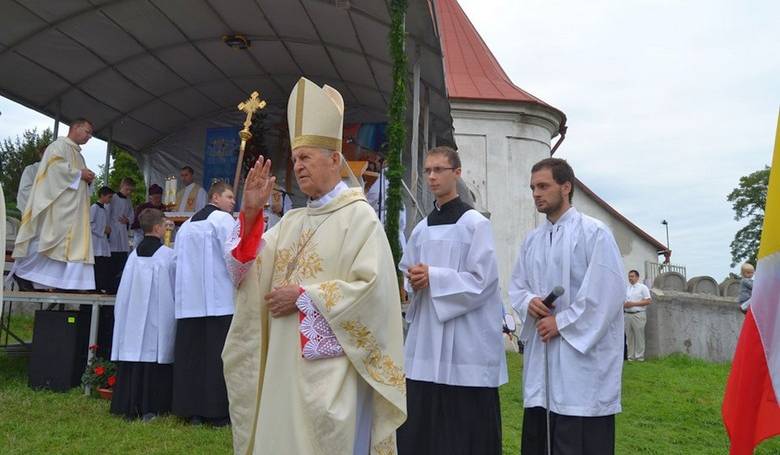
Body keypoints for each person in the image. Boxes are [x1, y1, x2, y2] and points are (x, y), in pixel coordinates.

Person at [221, 77, 406, 455]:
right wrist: (252, 214)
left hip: (330, 373)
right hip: (280, 368)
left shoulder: (360, 220)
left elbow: (373, 294)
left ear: (335, 160)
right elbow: (245, 272)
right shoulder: (290, 222)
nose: (298, 166)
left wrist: (305, 297)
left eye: (306, 157)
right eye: (295, 159)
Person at [509, 158, 625, 455]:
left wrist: (561, 323)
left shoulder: (594, 233)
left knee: (577, 438)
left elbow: (605, 294)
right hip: (543, 360)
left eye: (543, 186)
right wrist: (529, 303)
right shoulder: (532, 240)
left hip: (580, 366)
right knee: (541, 432)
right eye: (533, 187)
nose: (536, 193)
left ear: (566, 187)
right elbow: (517, 287)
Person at [396, 146, 507, 455]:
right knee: (423, 418)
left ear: (456, 173)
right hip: (428, 340)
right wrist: (414, 280)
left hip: (465, 341)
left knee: (463, 426)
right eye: (427, 171)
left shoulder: (475, 225)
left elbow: (484, 281)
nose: (432, 177)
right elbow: (408, 271)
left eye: (439, 170)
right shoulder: (421, 228)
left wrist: (435, 277)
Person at [171, 181, 237, 426]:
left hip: (190, 302)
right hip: (219, 302)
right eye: (229, 197)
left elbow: (176, 262)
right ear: (216, 197)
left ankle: (191, 411)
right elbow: (234, 258)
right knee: (216, 357)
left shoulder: (186, 226)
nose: (233, 202)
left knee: (192, 356)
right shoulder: (223, 221)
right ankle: (216, 412)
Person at [11, 118, 96, 291]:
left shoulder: (77, 154)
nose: (89, 137)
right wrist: (79, 174)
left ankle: (63, 283)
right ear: (75, 128)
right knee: (45, 242)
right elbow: (54, 170)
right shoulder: (58, 147)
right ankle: (22, 273)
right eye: (87, 132)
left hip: (73, 211)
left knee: (68, 246)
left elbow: (77, 180)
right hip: (58, 209)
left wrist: (87, 177)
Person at [110, 208, 176, 421]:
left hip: (133, 318)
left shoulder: (133, 255)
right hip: (157, 316)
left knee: (135, 353)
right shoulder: (167, 255)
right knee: (153, 354)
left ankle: (128, 405)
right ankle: (151, 407)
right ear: (158, 228)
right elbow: (175, 286)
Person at [366, 158, 407, 254]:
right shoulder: (395, 184)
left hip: (383, 227)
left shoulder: (382, 181)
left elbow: (371, 200)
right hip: (397, 233)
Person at [108, 177, 135, 293]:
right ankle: (110, 285)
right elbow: (108, 213)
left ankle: (119, 284)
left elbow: (131, 215)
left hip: (123, 231)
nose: (128, 192)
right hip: (113, 229)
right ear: (122, 186)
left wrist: (128, 220)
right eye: (127, 189)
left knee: (122, 256)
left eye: (130, 190)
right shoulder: (112, 198)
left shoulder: (128, 200)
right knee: (112, 257)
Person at [624, 269, 652, 362]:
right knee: (629, 337)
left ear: (637, 277)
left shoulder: (642, 287)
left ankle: (639, 357)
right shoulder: (627, 288)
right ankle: (630, 357)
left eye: (632, 276)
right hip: (627, 315)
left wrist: (633, 304)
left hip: (638, 314)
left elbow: (648, 301)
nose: (630, 278)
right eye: (629, 276)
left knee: (639, 336)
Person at [90, 186, 114, 293]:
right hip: (96, 241)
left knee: (103, 265)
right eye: (109, 197)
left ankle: (100, 286)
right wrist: (103, 230)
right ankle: (95, 287)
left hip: (103, 242)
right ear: (102, 196)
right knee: (97, 265)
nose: (110, 200)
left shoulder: (104, 209)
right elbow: (89, 224)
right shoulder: (94, 208)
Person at [16, 143, 46, 213]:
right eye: (45, 153)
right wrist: (45, 200)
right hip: (32, 211)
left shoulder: (57, 171)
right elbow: (24, 190)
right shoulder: (31, 169)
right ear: (40, 155)